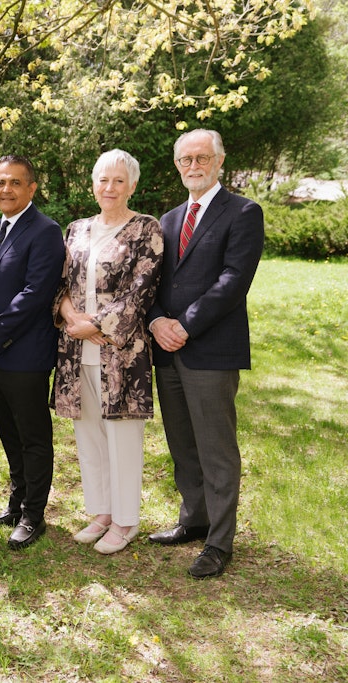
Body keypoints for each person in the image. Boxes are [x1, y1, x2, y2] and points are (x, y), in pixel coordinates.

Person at [147, 129, 265, 579]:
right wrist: (158, 321)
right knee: (182, 443)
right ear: (177, 165)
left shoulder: (243, 212)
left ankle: (219, 541)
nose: (193, 165)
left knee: (216, 448)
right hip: (168, 350)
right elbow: (153, 283)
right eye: (184, 159)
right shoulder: (169, 219)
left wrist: (185, 325)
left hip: (211, 349)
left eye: (202, 157)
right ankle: (193, 520)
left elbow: (233, 281)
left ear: (219, 161)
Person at [50, 150, 164, 555]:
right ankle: (100, 512)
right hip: (76, 349)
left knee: (122, 436)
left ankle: (126, 520)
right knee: (89, 434)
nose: (110, 188)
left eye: (119, 181)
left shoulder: (145, 229)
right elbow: (60, 282)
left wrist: (96, 325)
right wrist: (71, 318)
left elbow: (142, 290)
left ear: (131, 185)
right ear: (92, 184)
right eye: (103, 180)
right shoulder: (77, 229)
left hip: (122, 352)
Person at [0, 155, 65, 550]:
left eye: (14, 182)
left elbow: (36, 293)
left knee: (32, 436)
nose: (5, 189)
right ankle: (16, 502)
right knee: (8, 432)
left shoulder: (45, 231)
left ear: (31, 188)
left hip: (24, 351)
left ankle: (34, 515)